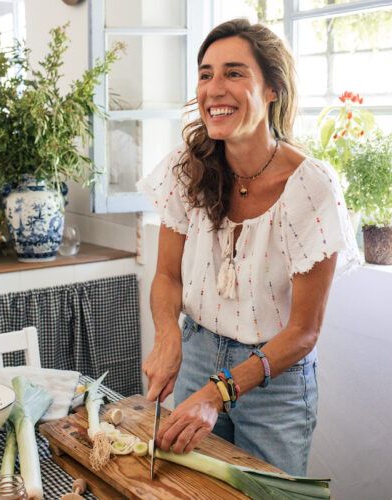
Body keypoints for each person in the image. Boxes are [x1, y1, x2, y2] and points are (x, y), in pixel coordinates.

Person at [138, 18, 360, 476]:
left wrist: (217, 393)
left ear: (272, 88)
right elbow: (168, 276)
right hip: (198, 353)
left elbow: (303, 332)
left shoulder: (310, 186)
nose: (214, 89)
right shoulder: (187, 166)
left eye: (234, 73)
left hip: (274, 380)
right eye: (206, 74)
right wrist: (167, 335)